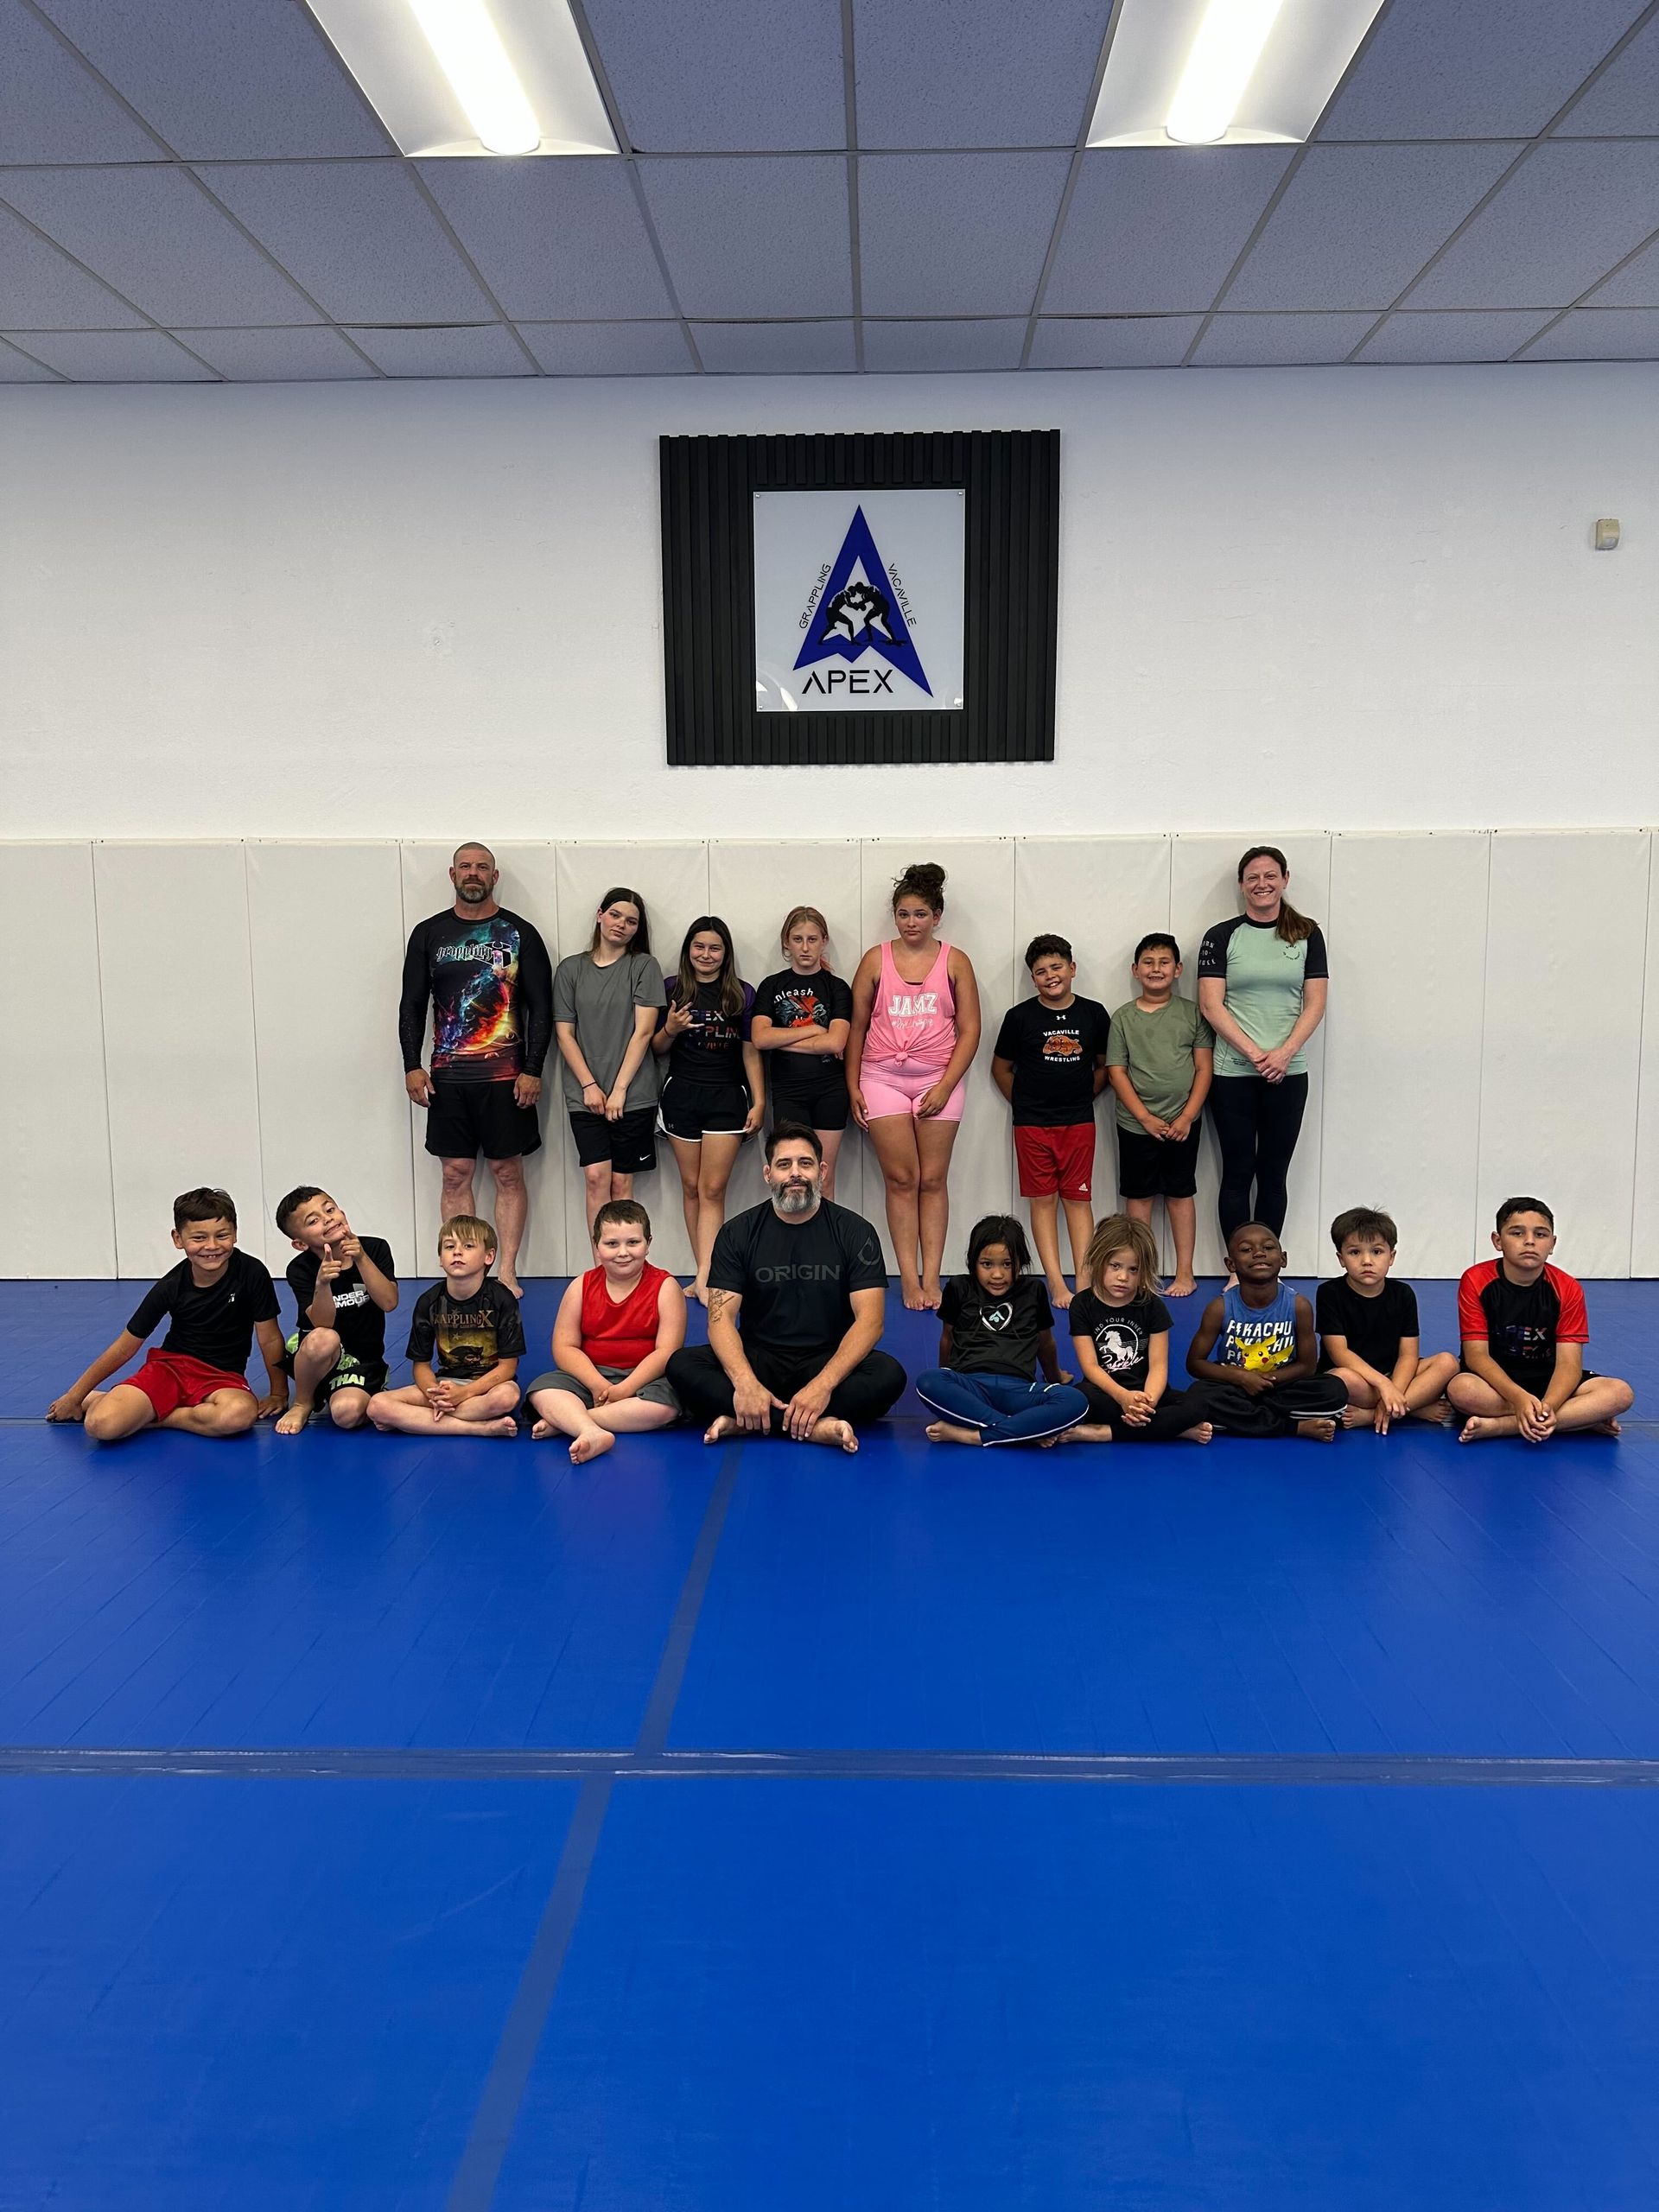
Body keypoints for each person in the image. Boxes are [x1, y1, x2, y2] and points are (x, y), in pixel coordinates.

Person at [666, 1122, 906, 1452]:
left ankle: (749, 1422)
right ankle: (815, 1427)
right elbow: (720, 1319)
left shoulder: (856, 1231)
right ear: (768, 1174)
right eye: (784, 1164)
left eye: (805, 1163)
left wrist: (823, 1386)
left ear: (822, 1171)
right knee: (681, 1365)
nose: (795, 1173)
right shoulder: (737, 1233)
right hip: (759, 1359)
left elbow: (871, 1322)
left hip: (827, 1358)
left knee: (889, 1375)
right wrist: (745, 1383)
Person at [399, 842, 553, 1300]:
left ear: (494, 876)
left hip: (507, 1079)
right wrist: (411, 1065)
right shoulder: (428, 934)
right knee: (455, 1174)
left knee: (507, 1172)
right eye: (465, 866)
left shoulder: (520, 933)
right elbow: (411, 1005)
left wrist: (533, 1068)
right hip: (448, 1078)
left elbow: (541, 1007)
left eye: (482, 867)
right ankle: (464, 1269)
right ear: (453, 875)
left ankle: (505, 1272)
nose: (473, 873)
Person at [46, 1186, 285, 1442]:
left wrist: (279, 1393)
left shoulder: (252, 1273)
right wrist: (75, 1396)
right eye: (199, 1238)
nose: (212, 1246)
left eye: (222, 1235)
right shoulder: (171, 1286)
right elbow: (125, 1347)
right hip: (171, 1369)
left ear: (235, 1234)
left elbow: (269, 1338)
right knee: (100, 1425)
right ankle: (130, 1408)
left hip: (222, 1377)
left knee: (238, 1415)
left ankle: (151, 1415)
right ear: (178, 1239)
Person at [845, 862, 982, 1310]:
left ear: (936, 917)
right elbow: (857, 1026)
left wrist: (945, 1086)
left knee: (933, 1179)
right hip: (881, 1077)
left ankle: (931, 1276)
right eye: (903, 914)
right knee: (902, 1179)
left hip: (938, 1078)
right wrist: (853, 1085)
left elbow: (971, 1030)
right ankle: (907, 1277)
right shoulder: (875, 960)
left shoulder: (956, 961)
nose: (911, 923)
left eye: (920, 914)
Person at [1196, 846, 1328, 1244]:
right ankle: (1238, 1268)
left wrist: (1284, 1054)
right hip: (1233, 1075)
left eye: (1270, 876)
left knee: (1273, 1175)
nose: (1262, 884)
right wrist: (1256, 1055)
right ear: (1241, 885)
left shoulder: (1307, 933)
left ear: (1285, 879)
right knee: (1238, 1173)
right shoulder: (1221, 936)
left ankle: (1267, 1267)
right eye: (1252, 877)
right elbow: (1210, 1005)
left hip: (1288, 1074)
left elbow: (1316, 1003)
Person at [1448, 1197, 1634, 1444]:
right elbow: (1476, 1356)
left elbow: (1569, 1364)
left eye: (1540, 1234)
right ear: (1497, 1241)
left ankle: (1503, 1426)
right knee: (1461, 1389)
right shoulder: (1476, 1280)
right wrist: (1519, 1398)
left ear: (1552, 1244)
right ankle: (1575, 1420)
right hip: (1496, 1383)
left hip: (1550, 1380)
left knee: (1619, 1393)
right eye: (1517, 1233)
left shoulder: (1567, 1287)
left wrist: (1550, 1405)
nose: (1529, 1241)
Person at [991, 935, 1110, 1309]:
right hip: (1031, 1125)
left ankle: (1085, 1282)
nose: (1050, 976)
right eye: (1041, 971)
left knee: (1078, 1200)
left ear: (1072, 969)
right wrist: (1026, 1104)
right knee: (1043, 1201)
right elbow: (1001, 1068)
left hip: (1079, 1122)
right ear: (1033, 979)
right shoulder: (1019, 1017)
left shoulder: (1094, 1013)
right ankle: (1057, 1283)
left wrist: (1083, 1096)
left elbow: (1107, 1065)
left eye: (1057, 967)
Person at [653, 916, 765, 1303]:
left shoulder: (741, 993)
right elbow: (656, 1048)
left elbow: (751, 1052)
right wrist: (670, 1028)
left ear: (725, 953)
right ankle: (704, 1271)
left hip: (727, 1098)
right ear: (688, 950)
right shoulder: (672, 988)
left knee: (713, 1189)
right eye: (699, 946)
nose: (706, 954)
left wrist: (760, 1100)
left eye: (714, 948)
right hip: (681, 1096)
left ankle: (708, 1276)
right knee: (691, 1187)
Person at [525, 1200, 685, 1463]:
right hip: (591, 1375)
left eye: (633, 1242)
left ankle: (572, 1422)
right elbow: (564, 1347)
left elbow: (667, 1351)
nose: (623, 1252)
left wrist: (625, 1389)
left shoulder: (666, 1287)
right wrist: (597, 1384)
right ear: (596, 1245)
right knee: (541, 1391)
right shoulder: (581, 1286)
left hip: (647, 1379)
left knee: (666, 1407)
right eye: (612, 1244)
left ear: (648, 1243)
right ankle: (590, 1431)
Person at [915, 1214, 1090, 1447]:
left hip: (1021, 1390)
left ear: (1021, 1262)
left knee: (1076, 1400)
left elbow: (1045, 1342)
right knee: (928, 1381)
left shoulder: (1033, 1290)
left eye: (1007, 1264)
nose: (997, 1275)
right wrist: (949, 1381)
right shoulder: (959, 1287)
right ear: (973, 1262)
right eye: (987, 1264)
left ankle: (974, 1435)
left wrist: (1054, 1377)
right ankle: (1022, 1430)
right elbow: (947, 1338)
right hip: (971, 1385)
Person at [1106, 933, 1214, 1299]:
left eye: (1164, 962)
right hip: (1136, 1125)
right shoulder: (1123, 1017)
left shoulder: (1193, 1013)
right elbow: (1116, 1071)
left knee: (1180, 1195)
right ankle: (1140, 1273)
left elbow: (1204, 1068)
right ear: (1135, 970)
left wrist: (1187, 1117)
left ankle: (1185, 1272)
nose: (1156, 969)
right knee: (1139, 1198)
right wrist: (1145, 1118)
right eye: (1148, 963)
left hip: (1183, 1124)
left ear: (1178, 969)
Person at [553, 887, 665, 1236]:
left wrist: (619, 1090)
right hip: (584, 1094)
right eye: (615, 915)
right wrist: (589, 1085)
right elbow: (564, 1034)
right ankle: (600, 1264)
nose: (621, 924)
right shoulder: (571, 969)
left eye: (631, 921)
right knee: (595, 1178)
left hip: (634, 1094)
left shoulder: (644, 966)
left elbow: (643, 1032)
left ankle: (624, 1260)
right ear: (600, 915)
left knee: (621, 1183)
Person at [1186, 1221, 1346, 1441]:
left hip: (1282, 1385)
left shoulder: (1298, 1305)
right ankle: (1293, 1426)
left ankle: (1248, 1417)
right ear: (1231, 1264)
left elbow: (1308, 1366)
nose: (1259, 1253)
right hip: (1235, 1386)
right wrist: (1242, 1377)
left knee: (1334, 1390)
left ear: (1283, 1259)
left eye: (1268, 1247)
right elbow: (1195, 1363)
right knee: (1199, 1395)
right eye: (1246, 1249)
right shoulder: (1219, 1308)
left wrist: (1266, 1381)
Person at [366, 1215, 523, 1439]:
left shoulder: (502, 1300)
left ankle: (419, 1420)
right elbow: (421, 1366)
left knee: (507, 1398)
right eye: (449, 1246)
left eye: (468, 1246)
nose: (457, 1252)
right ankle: (479, 1427)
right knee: (377, 1406)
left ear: (489, 1256)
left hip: (488, 1386)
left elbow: (507, 1368)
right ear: (441, 1258)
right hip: (444, 1385)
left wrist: (464, 1393)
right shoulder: (429, 1302)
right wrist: (435, 1395)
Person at [1063, 1214, 1213, 1444]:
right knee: (1079, 1398)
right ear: (1098, 1260)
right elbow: (1090, 1366)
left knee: (1198, 1404)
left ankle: (1104, 1433)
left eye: (1134, 1269)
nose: (1123, 1277)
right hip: (1106, 1393)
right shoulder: (1082, 1304)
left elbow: (1158, 1365)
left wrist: (1147, 1402)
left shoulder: (1153, 1305)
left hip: (1147, 1393)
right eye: (1115, 1266)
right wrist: (1123, 1397)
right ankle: (1173, 1429)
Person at [1317, 1205, 1458, 1432]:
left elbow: (1408, 1355)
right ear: (1341, 1258)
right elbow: (1339, 1353)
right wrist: (1383, 1385)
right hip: (1357, 1378)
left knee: (1448, 1362)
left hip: (1394, 1374)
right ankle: (1412, 1408)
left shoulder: (1403, 1294)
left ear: (1391, 1257)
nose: (1367, 1261)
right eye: (1355, 1253)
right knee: (1340, 1378)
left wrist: (1393, 1389)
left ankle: (1375, 1414)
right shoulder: (1329, 1293)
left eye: (1376, 1251)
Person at [273, 1185, 398, 1434]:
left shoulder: (375, 1248)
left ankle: (360, 1389)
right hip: (317, 1359)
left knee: (346, 1414)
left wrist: (362, 1259)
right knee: (323, 1338)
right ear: (300, 1243)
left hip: (362, 1360)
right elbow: (323, 1323)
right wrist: (322, 1284)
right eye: (313, 1221)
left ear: (342, 1213)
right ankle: (303, 1402)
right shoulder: (300, 1269)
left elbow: (389, 1303)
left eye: (330, 1210)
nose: (327, 1219)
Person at [751, 906, 853, 1199]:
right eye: (798, 939)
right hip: (788, 1092)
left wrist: (779, 1039)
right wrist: (816, 1029)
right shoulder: (772, 985)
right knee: (790, 1179)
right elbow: (759, 1038)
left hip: (830, 1090)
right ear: (787, 942)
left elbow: (835, 1043)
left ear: (824, 941)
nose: (805, 948)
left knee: (823, 1178)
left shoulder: (837, 988)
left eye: (812, 939)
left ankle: (826, 1231)